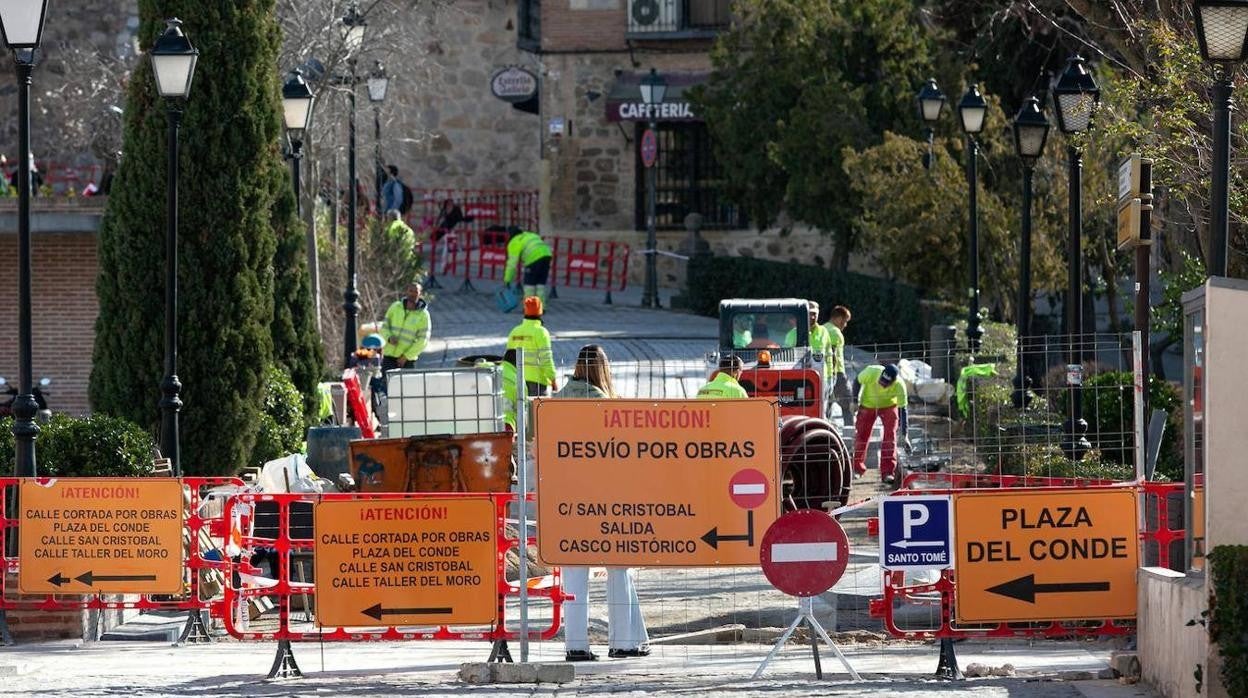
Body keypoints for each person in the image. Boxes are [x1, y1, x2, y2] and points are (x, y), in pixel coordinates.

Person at [558, 345, 650, 662]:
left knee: (573, 571)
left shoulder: (555, 401)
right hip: (607, 497)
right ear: (603, 369)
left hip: (566, 497)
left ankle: (576, 646)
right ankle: (623, 642)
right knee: (618, 568)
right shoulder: (607, 404)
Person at [852, 363, 911, 485]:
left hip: (889, 406)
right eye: (882, 381)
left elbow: (903, 411)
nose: (882, 385)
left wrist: (905, 435)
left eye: (886, 384)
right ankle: (857, 468)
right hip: (868, 404)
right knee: (862, 435)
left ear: (894, 382)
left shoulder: (900, 386)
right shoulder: (871, 372)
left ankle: (888, 472)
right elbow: (857, 381)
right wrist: (854, 401)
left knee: (890, 436)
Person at [505, 296, 557, 397]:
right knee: (537, 412)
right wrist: (553, 380)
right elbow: (546, 359)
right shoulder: (541, 332)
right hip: (537, 383)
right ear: (540, 312)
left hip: (517, 380)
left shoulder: (515, 331)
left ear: (524, 311)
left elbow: (508, 360)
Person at [379, 282, 432, 371]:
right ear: (406, 292)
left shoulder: (424, 315)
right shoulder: (395, 307)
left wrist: (406, 356)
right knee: (387, 384)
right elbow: (384, 327)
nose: (413, 294)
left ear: (420, 294)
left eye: (416, 292)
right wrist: (389, 338)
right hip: (389, 357)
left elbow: (423, 340)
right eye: (411, 291)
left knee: (406, 385)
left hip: (407, 361)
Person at [503, 226, 553, 304]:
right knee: (540, 285)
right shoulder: (530, 235)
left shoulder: (514, 242)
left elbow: (512, 264)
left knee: (529, 285)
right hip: (547, 255)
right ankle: (542, 307)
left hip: (533, 259)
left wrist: (507, 279)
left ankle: (531, 308)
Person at [824, 305, 853, 425]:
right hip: (838, 372)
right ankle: (850, 431)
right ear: (840, 318)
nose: (845, 325)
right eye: (845, 321)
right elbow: (833, 354)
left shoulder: (823, 329)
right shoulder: (836, 332)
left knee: (826, 404)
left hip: (825, 373)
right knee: (849, 404)